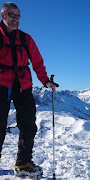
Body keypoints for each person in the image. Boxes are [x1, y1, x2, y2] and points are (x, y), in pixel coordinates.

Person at [0, 2, 58, 177]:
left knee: (28, 126)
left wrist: (46, 81)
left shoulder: (25, 38)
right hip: (1, 85)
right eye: (12, 15)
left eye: (18, 16)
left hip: (23, 86)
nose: (16, 19)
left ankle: (23, 163)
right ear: (3, 15)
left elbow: (37, 62)